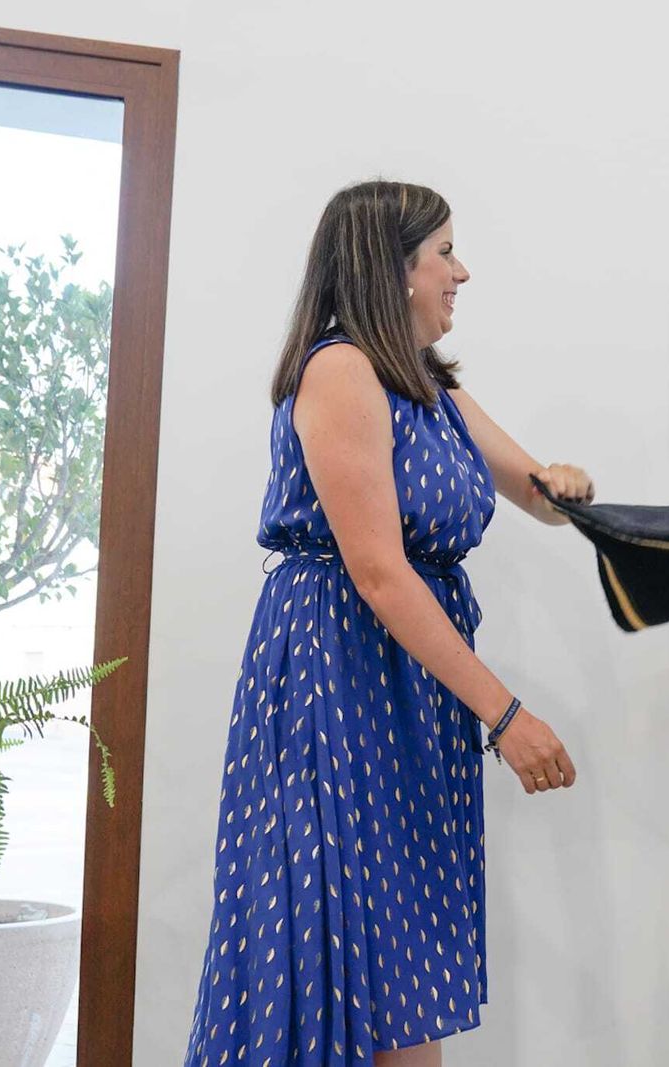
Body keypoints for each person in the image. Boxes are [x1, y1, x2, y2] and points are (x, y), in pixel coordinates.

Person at [184, 180, 594, 1067]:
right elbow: (375, 570)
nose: (462, 272)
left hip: (409, 687)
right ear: (394, 268)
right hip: (336, 675)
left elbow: (540, 498)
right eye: (445, 252)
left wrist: (569, 486)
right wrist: (508, 714)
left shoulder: (431, 385)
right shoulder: (341, 371)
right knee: (332, 939)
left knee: (399, 953)